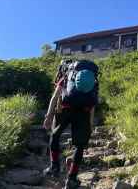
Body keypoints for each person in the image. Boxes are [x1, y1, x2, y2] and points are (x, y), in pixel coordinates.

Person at [43, 59, 99, 189]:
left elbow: (55, 97)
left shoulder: (68, 75)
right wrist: (90, 124)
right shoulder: (94, 81)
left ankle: (54, 167)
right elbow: (93, 104)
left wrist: (49, 116)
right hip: (84, 112)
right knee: (80, 146)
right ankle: (72, 179)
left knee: (55, 135)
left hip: (65, 109)